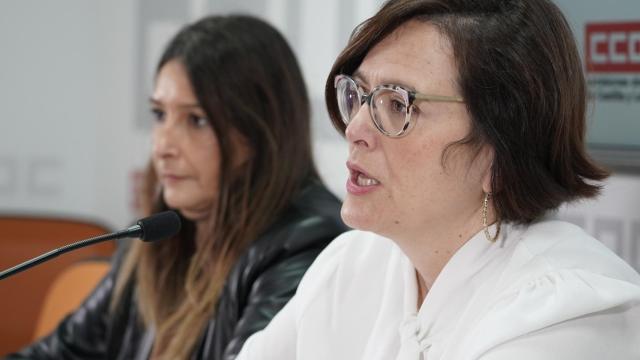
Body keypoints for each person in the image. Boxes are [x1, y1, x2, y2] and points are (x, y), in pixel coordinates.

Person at [236, 0, 640, 359]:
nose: (356, 127)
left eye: (397, 104)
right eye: (358, 94)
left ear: (497, 154)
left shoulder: (564, 315)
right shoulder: (353, 263)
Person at [9, 15, 346, 360]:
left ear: (260, 132)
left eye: (195, 120)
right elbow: (60, 352)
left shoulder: (305, 245)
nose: (162, 146)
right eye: (159, 115)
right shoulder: (158, 234)